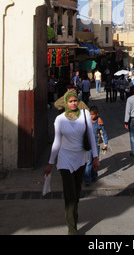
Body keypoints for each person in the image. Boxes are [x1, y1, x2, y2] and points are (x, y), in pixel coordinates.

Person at [44, 90, 99, 235]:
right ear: (66, 103)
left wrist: (96, 157)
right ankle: (72, 229)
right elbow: (56, 142)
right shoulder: (60, 119)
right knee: (69, 194)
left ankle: (73, 215)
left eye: (75, 101)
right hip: (64, 159)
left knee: (76, 193)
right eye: (70, 101)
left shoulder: (85, 114)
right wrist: (50, 162)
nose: (73, 103)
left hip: (81, 158)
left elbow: (91, 136)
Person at [84, 106, 108, 185]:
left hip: (96, 144)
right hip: (88, 144)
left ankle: (94, 176)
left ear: (97, 114)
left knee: (95, 161)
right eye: (90, 114)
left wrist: (105, 144)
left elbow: (103, 134)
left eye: (93, 114)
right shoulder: (86, 121)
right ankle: (87, 178)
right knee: (88, 161)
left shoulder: (99, 123)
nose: (91, 116)